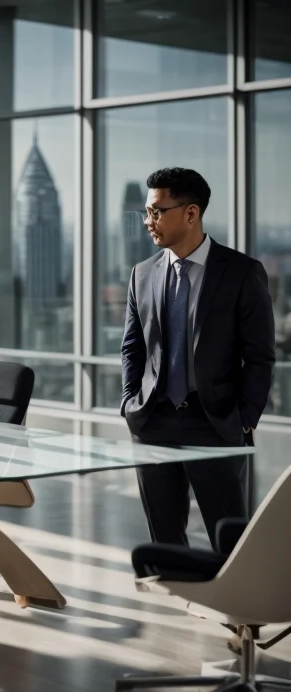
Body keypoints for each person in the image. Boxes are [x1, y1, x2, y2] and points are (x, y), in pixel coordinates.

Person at [121, 167, 275, 548]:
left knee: (230, 540)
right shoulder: (142, 274)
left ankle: (235, 605)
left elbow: (260, 356)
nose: (148, 222)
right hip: (153, 421)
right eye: (145, 212)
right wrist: (130, 403)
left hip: (216, 424)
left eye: (156, 211)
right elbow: (132, 348)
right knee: (165, 540)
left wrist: (243, 420)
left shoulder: (241, 272)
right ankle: (176, 602)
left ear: (191, 213)